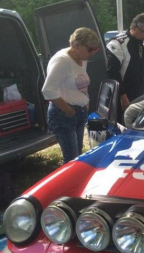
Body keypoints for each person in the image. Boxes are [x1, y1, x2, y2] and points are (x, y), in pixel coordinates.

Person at [42, 27, 99, 164]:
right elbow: (48, 90)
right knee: (72, 159)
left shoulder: (82, 58)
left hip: (78, 113)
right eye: (90, 49)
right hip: (64, 115)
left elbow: (80, 82)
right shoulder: (63, 60)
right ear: (76, 45)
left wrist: (85, 101)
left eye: (95, 50)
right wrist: (68, 110)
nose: (93, 53)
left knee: (77, 155)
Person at [106, 13, 144, 125]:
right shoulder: (118, 43)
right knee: (122, 126)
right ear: (133, 27)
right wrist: (123, 96)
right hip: (121, 95)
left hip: (138, 94)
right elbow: (112, 72)